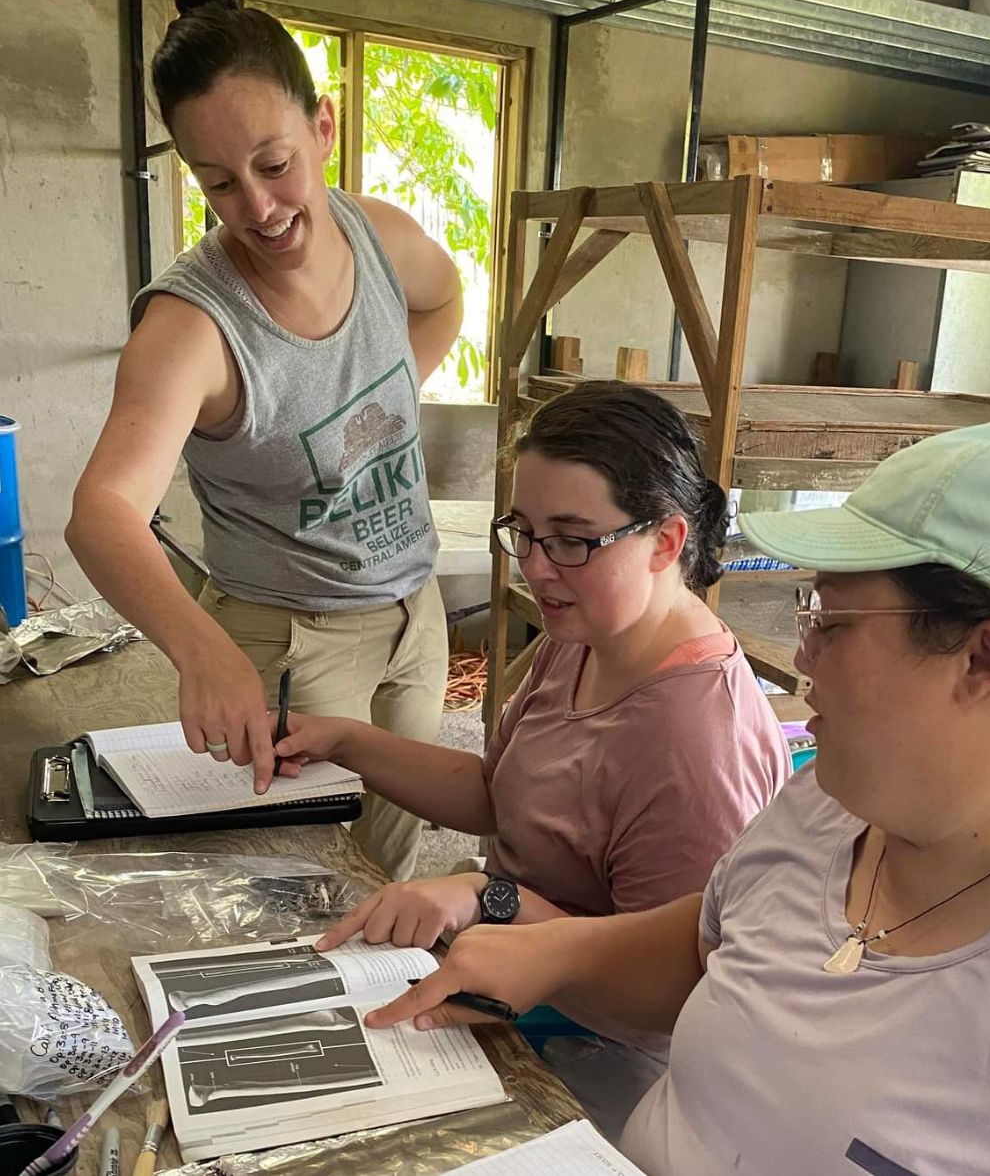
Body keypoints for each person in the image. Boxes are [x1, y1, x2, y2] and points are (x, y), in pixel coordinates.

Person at [362, 420, 990, 1175]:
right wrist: (547, 950)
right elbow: (712, 946)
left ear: (980, 659)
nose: (800, 656)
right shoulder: (833, 808)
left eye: (829, 622)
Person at [275, 380, 792, 1137]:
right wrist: (345, 740)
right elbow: (498, 796)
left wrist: (492, 898)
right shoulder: (580, 635)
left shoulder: (692, 737)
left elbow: (682, 986)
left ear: (666, 541)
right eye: (523, 530)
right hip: (514, 969)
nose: (538, 567)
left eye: (573, 539)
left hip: (614, 1052)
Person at [65, 0, 463, 881]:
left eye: (275, 164)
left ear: (322, 126)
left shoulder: (381, 233)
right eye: (217, 183)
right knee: (301, 883)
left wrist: (388, 389)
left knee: (396, 860)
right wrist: (200, 648)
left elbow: (444, 298)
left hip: (414, 608)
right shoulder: (193, 326)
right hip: (289, 638)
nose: (258, 206)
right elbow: (102, 511)